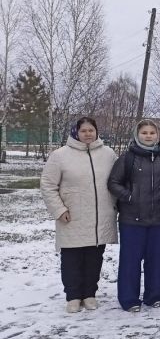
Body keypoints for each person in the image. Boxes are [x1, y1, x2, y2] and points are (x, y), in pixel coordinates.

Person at [40, 117, 118, 313]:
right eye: (83, 131)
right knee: (72, 259)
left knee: (94, 258)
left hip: (100, 217)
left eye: (91, 130)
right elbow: (48, 185)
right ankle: (73, 296)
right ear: (76, 132)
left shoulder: (108, 154)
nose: (88, 134)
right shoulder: (60, 156)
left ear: (97, 131)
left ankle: (90, 293)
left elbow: (118, 181)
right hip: (72, 216)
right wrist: (59, 210)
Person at [107, 119, 160, 312]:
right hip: (132, 220)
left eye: (152, 133)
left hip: (158, 219)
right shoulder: (127, 158)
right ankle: (129, 299)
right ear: (137, 135)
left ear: (158, 136)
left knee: (156, 259)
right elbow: (113, 183)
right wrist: (129, 196)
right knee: (131, 261)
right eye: (144, 132)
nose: (148, 136)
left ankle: (154, 295)